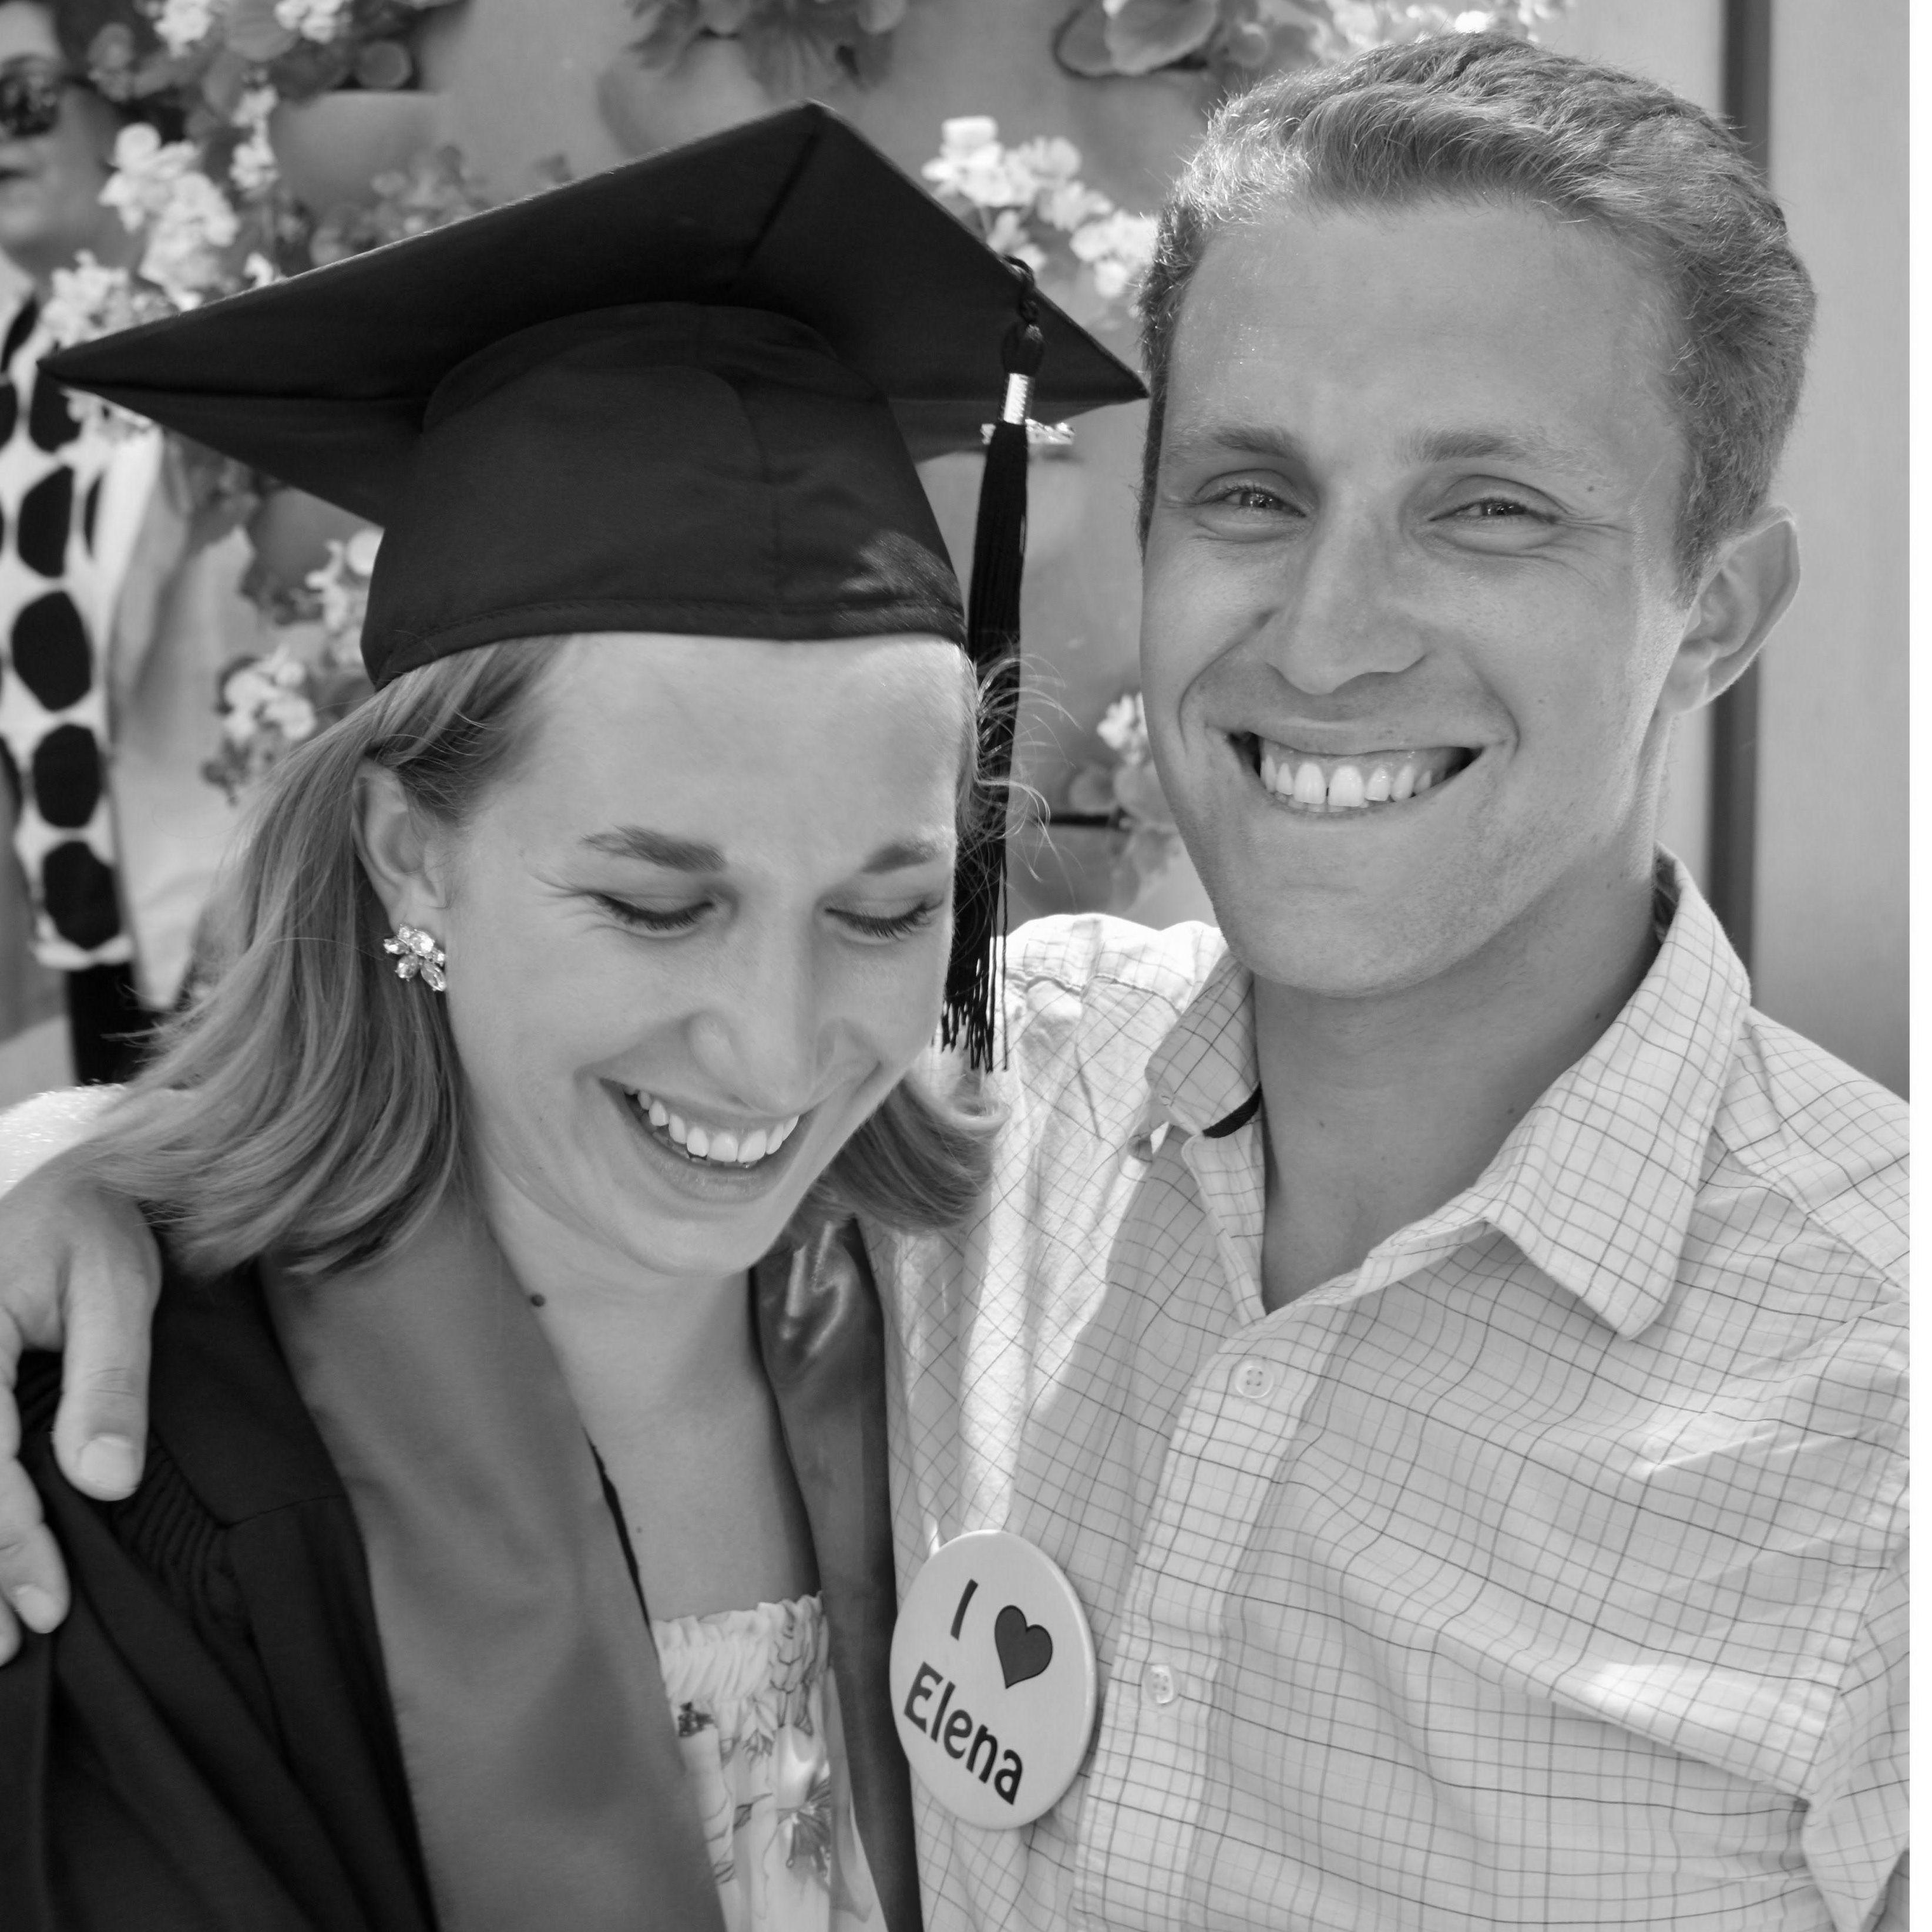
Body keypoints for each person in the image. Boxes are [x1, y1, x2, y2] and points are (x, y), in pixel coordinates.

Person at [0, 33, 1907, 1932]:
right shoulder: (1006, 1133)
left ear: (1716, 616)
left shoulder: (1874, 1414)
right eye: (1249, 491)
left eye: (1490, 505)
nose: (1327, 641)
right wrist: (70, 1175)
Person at [0, 102, 1140, 1930]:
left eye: (887, 907)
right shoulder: (137, 1480)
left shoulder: (998, 1295)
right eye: (653, 900)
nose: (775, 1050)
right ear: (409, 856)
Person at [0, 0, 267, 1081]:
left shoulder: (228, 313)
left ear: (127, 98)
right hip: (88, 900)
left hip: (241, 914)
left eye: (19, 99)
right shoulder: (18, 356)